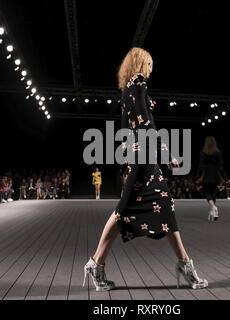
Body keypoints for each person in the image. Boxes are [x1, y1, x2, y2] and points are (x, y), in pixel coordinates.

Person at [84, 47, 208, 292]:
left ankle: (185, 264)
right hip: (143, 157)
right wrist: (165, 153)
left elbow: (127, 128)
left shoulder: (127, 90)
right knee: (125, 209)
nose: (152, 69)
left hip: (138, 155)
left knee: (163, 206)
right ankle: (95, 263)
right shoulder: (138, 83)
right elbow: (144, 121)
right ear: (141, 63)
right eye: (150, 64)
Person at [196, 136, 226, 222]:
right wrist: (224, 177)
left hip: (206, 174)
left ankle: (213, 208)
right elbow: (220, 166)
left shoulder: (203, 152)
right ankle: (212, 212)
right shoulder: (218, 152)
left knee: (207, 192)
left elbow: (201, 166)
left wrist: (198, 176)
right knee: (213, 193)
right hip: (215, 175)